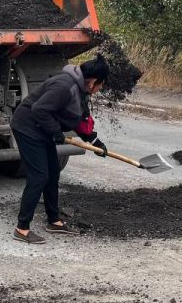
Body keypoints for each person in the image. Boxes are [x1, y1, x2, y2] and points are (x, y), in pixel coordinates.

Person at [10, 54, 109, 244]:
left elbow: (78, 120)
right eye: (101, 84)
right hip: (27, 127)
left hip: (42, 129)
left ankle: (54, 221)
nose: (101, 88)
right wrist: (56, 133)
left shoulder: (80, 90)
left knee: (53, 173)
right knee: (39, 176)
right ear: (93, 81)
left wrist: (95, 142)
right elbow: (39, 109)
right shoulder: (65, 86)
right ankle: (22, 228)